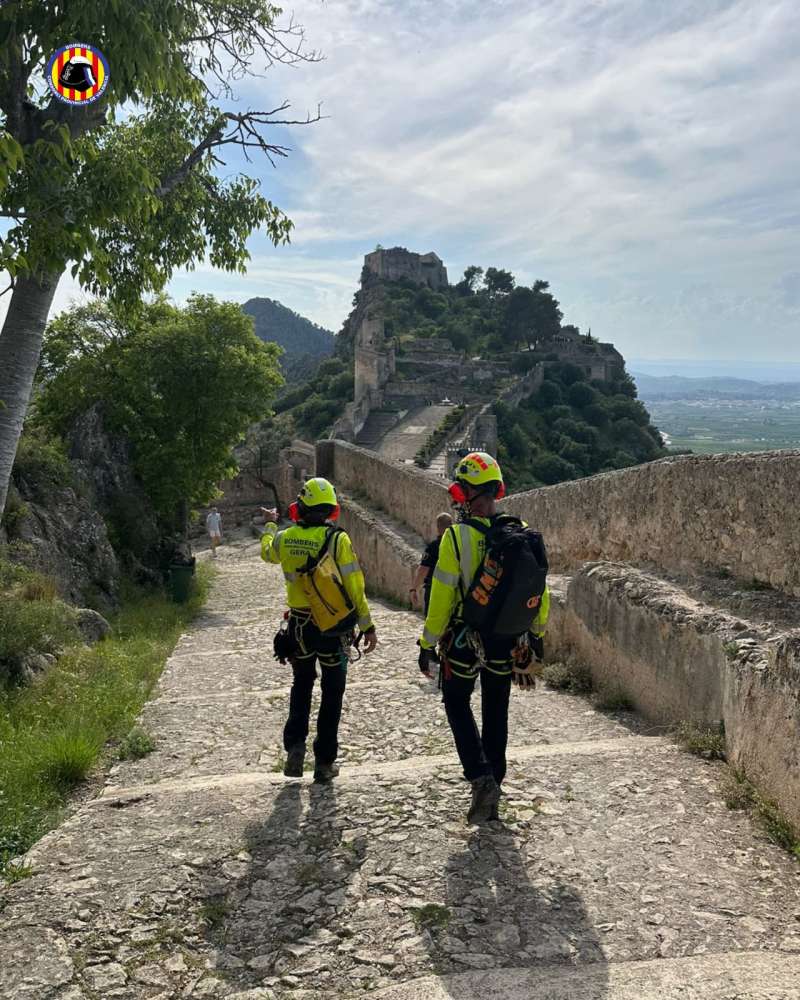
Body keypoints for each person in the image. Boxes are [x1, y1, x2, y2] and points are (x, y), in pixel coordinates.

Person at [417, 452, 549, 824]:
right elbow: (539, 589)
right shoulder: (520, 531)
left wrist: (427, 643)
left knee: (457, 703)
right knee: (496, 709)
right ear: (497, 490)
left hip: (464, 639)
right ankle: (495, 782)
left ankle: (479, 776)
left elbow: (441, 596)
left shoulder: (456, 538)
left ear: (465, 495)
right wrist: (536, 635)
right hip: (506, 639)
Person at [260, 477, 378, 782]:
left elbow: (267, 553)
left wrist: (272, 525)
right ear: (329, 510)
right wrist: (367, 625)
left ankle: (295, 750)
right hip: (333, 629)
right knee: (332, 693)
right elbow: (355, 587)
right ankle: (324, 762)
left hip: (298, 627)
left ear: (301, 507)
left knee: (301, 685)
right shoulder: (338, 540)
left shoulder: (285, 538)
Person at [409, 512, 453, 614]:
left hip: (435, 590)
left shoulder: (433, 547)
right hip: (453, 590)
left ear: (438, 527)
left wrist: (414, 589)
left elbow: (423, 570)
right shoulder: (458, 546)